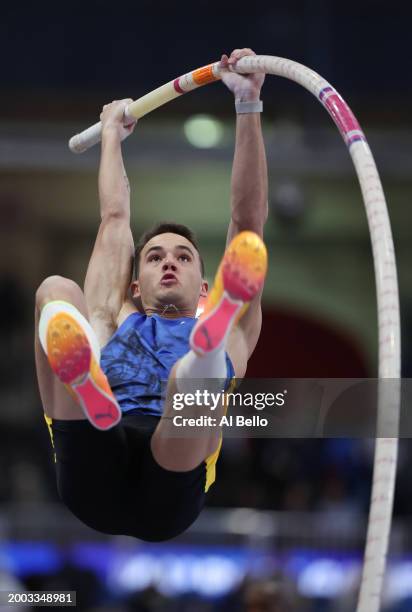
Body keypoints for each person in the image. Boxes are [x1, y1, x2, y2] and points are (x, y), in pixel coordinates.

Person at [34, 48, 268, 541]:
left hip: (173, 473)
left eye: (183, 257)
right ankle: (88, 391)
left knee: (193, 371)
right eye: (156, 256)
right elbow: (115, 218)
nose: (168, 261)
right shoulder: (112, 316)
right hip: (95, 459)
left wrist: (249, 105)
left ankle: (199, 353)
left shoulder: (231, 335)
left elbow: (248, 224)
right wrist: (112, 139)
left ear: (205, 286)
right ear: (134, 285)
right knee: (56, 290)